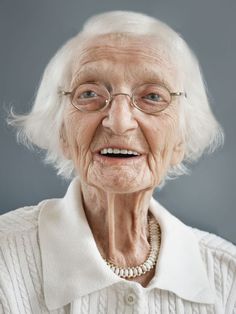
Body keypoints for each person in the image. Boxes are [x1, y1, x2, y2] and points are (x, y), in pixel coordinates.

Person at [1, 10, 235, 314]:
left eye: (152, 96)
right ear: (62, 132)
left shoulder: (228, 279)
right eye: (89, 93)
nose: (119, 122)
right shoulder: (5, 262)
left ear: (180, 140)